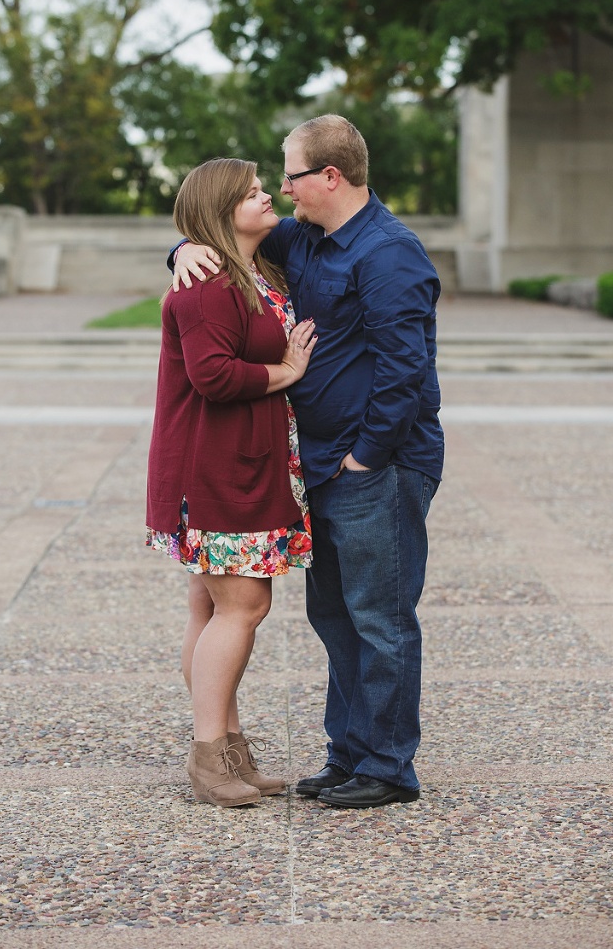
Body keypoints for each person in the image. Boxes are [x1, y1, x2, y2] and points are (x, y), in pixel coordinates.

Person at [172, 115, 444, 809]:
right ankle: (348, 753)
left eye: (289, 174)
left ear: (329, 176)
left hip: (372, 466)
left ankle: (386, 766)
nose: (281, 187)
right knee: (336, 617)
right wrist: (180, 248)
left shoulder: (390, 254)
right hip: (319, 466)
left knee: (380, 617)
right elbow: (218, 228)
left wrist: (363, 456)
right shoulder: (305, 237)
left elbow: (404, 370)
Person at [146, 157, 317, 809]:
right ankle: (208, 755)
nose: (267, 192)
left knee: (212, 608)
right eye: (251, 192)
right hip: (215, 471)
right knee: (243, 607)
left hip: (238, 463)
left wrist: (183, 244)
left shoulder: (246, 269)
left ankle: (229, 745)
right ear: (222, 213)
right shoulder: (208, 284)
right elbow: (214, 376)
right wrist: (288, 370)